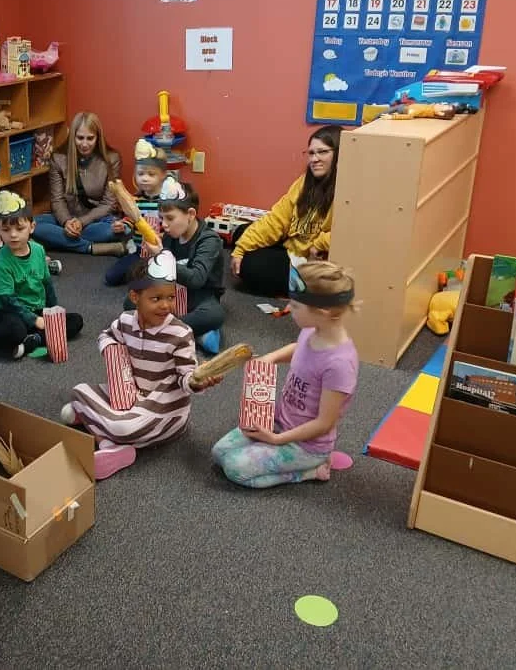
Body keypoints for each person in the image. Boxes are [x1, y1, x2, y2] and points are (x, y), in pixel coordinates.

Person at [61, 253, 223, 480]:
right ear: (135, 297)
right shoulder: (125, 321)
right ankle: (109, 443)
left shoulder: (180, 333)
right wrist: (112, 351)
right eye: (156, 299)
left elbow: (186, 376)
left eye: (170, 297)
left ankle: (102, 430)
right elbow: (107, 335)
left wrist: (198, 381)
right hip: (131, 392)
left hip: (165, 408)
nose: (166, 305)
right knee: (77, 391)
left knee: (122, 428)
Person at [211, 261, 359, 488]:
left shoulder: (340, 365)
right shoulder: (312, 330)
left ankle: (311, 470)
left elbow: (324, 423)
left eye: (296, 305)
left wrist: (276, 440)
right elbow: (299, 348)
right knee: (219, 453)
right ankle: (274, 452)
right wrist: (270, 358)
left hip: (306, 447)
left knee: (234, 468)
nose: (289, 308)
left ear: (323, 312)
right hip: (280, 421)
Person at [0, 190, 83, 359]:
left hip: (36, 308)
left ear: (32, 227)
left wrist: (53, 312)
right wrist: (34, 320)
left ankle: (34, 340)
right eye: (6, 230)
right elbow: (7, 300)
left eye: (20, 228)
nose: (13, 234)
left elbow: (47, 284)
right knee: (15, 331)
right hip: (8, 311)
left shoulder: (38, 250)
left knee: (75, 320)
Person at [230, 125, 343, 297]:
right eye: (311, 153)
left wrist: (320, 244)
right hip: (293, 244)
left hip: (311, 262)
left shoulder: (347, 189)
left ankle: (301, 287)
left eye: (322, 152)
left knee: (250, 265)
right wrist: (241, 248)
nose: (314, 159)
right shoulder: (304, 182)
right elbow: (277, 219)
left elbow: (349, 232)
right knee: (241, 233)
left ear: (339, 153)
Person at [142, 177, 225, 354]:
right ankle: (191, 333)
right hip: (172, 293)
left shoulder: (209, 240)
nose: (164, 225)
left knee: (215, 314)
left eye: (170, 218)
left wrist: (161, 256)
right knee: (132, 300)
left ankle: (161, 329)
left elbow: (196, 279)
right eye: (162, 218)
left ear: (191, 214)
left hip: (200, 295)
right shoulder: (170, 236)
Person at [33, 111, 126, 256]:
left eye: (90, 138)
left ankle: (59, 240)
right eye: (80, 138)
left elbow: (108, 203)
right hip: (67, 217)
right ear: (72, 137)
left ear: (98, 138)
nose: (84, 144)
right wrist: (67, 222)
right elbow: (57, 199)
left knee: (113, 230)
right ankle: (90, 248)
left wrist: (81, 222)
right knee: (32, 225)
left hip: (97, 220)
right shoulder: (58, 158)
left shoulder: (112, 159)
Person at [104, 138, 168, 286]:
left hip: (161, 252)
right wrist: (123, 226)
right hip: (140, 251)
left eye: (151, 174)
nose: (145, 178)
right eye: (141, 174)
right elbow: (130, 220)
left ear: (163, 175)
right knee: (111, 277)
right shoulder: (136, 201)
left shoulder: (166, 201)